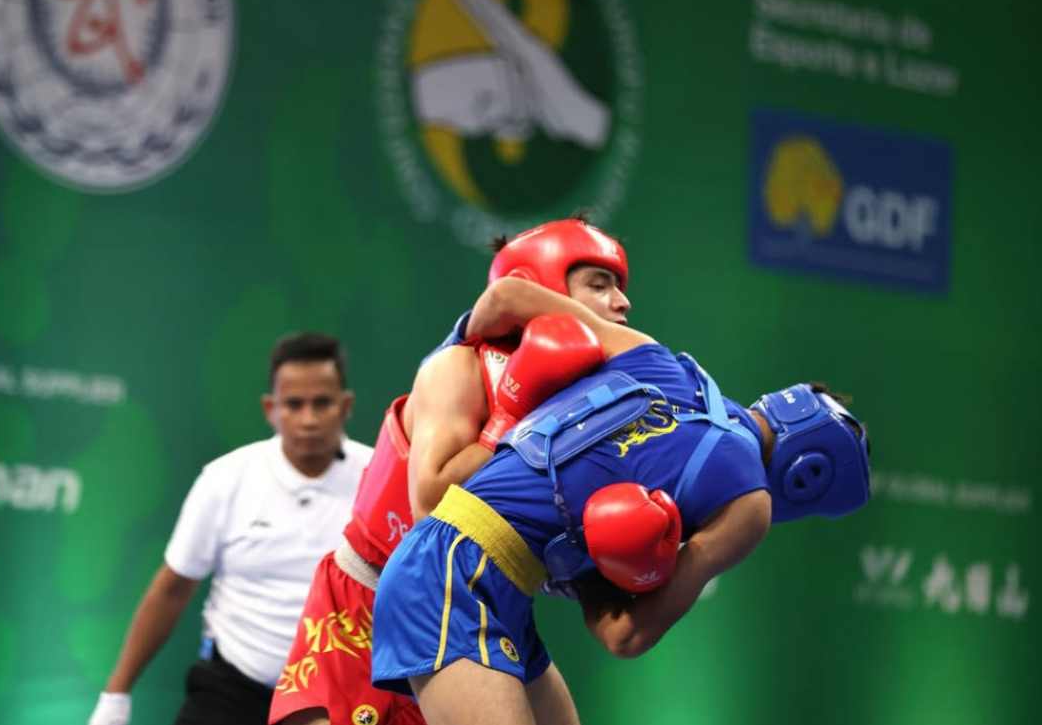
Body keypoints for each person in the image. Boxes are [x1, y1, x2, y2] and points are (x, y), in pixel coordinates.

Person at [369, 277, 872, 725]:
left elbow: (506, 297)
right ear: (807, 478)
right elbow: (624, 635)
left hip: (479, 573)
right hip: (454, 575)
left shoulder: (655, 356)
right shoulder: (750, 506)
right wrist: (600, 570)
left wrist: (470, 360)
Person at [269, 219, 631, 725]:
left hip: (490, 599)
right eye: (599, 283)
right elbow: (431, 508)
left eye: (618, 286)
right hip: (372, 600)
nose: (621, 302)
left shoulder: (585, 402)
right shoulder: (460, 369)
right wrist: (508, 415)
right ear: (541, 285)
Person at [88, 333, 372, 725]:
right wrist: (115, 695)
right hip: (231, 689)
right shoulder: (225, 478)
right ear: (270, 409)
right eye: (294, 404)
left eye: (322, 403)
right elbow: (171, 589)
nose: (308, 418)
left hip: (334, 697)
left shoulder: (379, 481)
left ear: (346, 406)